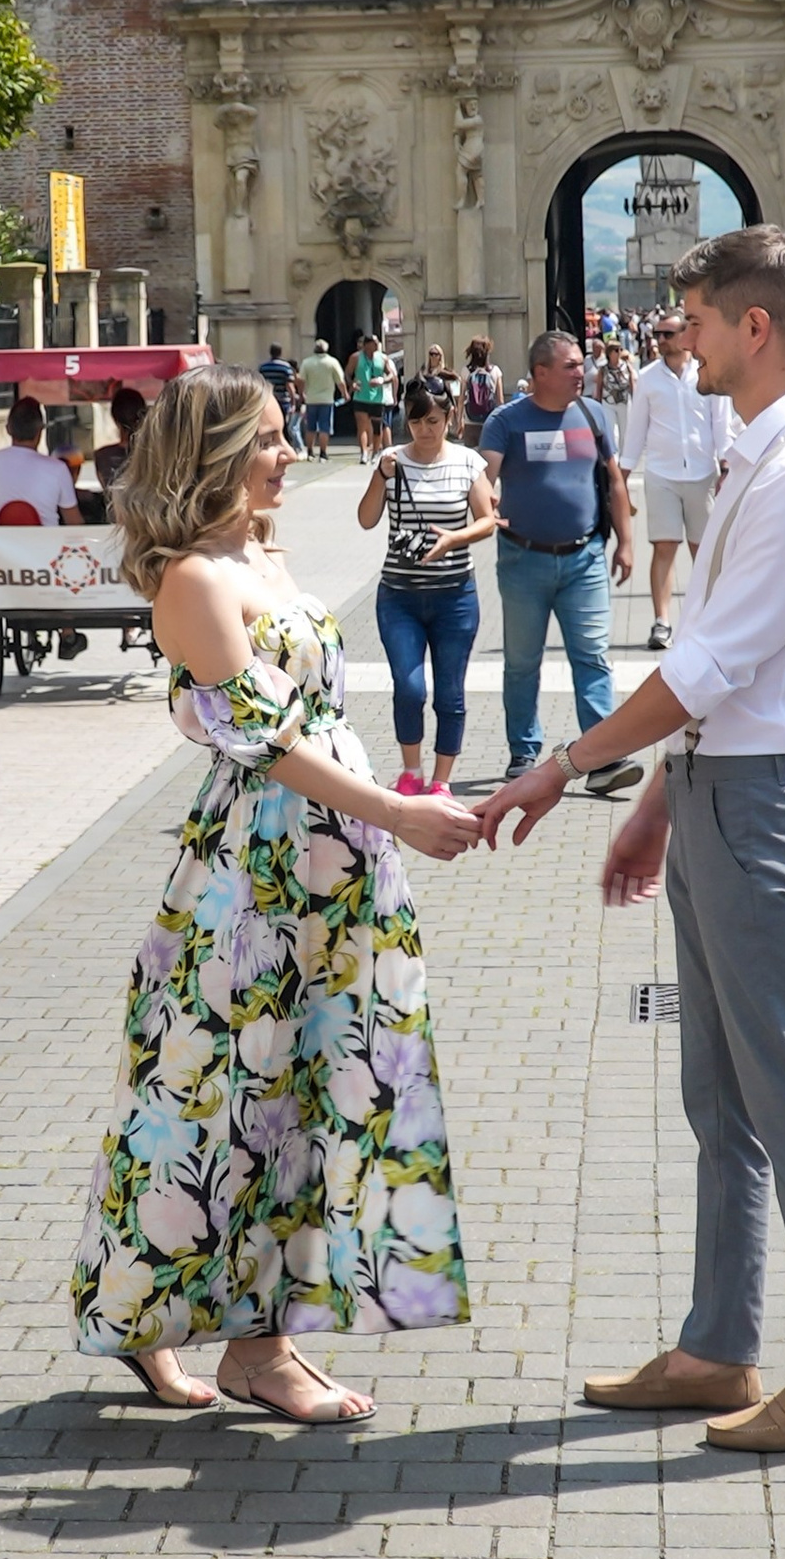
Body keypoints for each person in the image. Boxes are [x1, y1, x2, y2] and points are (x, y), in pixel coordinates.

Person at [474, 226, 785, 1457]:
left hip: (761, 808)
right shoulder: (754, 453)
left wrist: (561, 766)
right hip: (720, 792)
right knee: (720, 1099)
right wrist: (658, 801)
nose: (678, 340)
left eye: (695, 320)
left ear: (753, 327)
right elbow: (711, 667)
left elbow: (708, 666)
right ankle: (718, 1346)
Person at [73, 368, 482, 1419]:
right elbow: (270, 741)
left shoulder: (261, 552)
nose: (289, 449)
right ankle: (235, 1343)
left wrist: (377, 826)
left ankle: (239, 1334)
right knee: (229, 1096)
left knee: (307, 1096)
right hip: (256, 877)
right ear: (211, 454)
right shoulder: (194, 582)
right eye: (267, 439)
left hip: (330, 867)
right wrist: (398, 811)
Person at [480, 331, 640, 791]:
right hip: (522, 560)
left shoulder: (593, 414)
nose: (581, 372)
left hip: (584, 559)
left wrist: (625, 543)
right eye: (571, 365)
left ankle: (603, 757)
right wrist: (483, 502)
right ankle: (524, 752)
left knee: (592, 657)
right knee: (522, 662)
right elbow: (483, 477)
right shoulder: (506, 421)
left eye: (580, 364)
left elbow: (614, 481)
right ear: (541, 373)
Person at [359, 382, 496, 797]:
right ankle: (410, 770)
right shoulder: (393, 461)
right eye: (415, 421)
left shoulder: (468, 462)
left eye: (433, 421)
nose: (424, 430)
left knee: (450, 692)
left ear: (450, 417)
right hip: (399, 596)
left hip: (455, 595)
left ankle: (441, 780)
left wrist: (453, 540)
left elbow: (487, 520)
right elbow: (366, 520)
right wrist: (379, 476)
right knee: (410, 687)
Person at [619, 308, 734, 649]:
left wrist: (726, 466)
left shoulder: (707, 374)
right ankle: (661, 622)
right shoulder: (648, 378)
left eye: (667, 334)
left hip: (702, 474)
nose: (660, 340)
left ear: (686, 336)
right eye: (657, 335)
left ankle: (710, 619)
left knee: (705, 551)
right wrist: (621, 477)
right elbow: (636, 429)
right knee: (664, 547)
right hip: (662, 473)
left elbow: (721, 424)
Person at [0, 397, 83, 527]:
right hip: (44, 544)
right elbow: (73, 521)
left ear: (8, 429)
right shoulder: (58, 469)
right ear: (40, 431)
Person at [92, 386, 149, 497]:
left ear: (114, 418)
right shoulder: (156, 453)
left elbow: (108, 493)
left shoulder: (103, 456)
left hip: (117, 513)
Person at [349, 333, 397, 461]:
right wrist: (352, 384)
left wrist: (381, 380)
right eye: (373, 343)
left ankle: (376, 452)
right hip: (360, 397)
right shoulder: (356, 357)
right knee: (362, 426)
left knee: (377, 427)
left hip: (377, 398)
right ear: (366, 345)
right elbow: (347, 374)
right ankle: (364, 452)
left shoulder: (383, 358)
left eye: (377, 342)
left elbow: (391, 375)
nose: (376, 345)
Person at [460, 338, 505, 448]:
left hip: (470, 420)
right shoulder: (495, 371)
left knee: (470, 456)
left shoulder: (466, 371)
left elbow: (461, 398)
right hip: (489, 421)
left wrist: (459, 420)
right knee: (487, 457)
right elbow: (500, 400)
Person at [257, 342, 299, 439]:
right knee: (283, 425)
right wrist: (293, 402)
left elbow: (260, 384)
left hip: (268, 400)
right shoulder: (285, 367)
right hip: (283, 400)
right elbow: (290, 386)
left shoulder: (263, 367)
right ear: (280, 352)